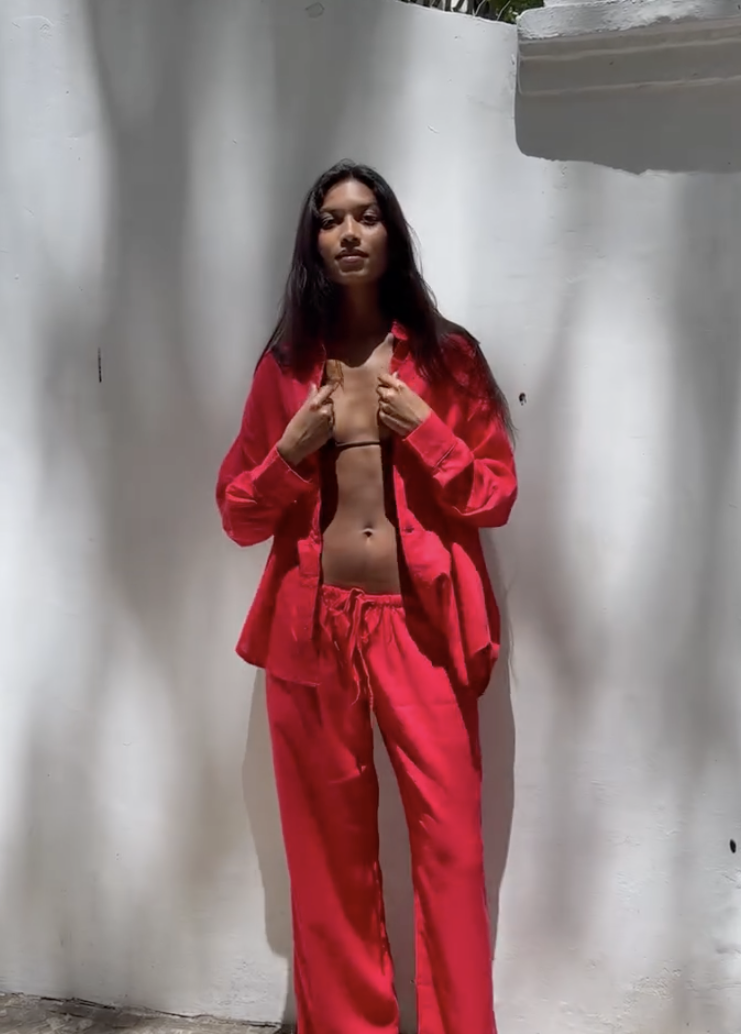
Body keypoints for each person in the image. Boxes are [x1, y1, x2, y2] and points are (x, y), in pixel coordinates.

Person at [216, 160, 517, 1034]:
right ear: (311, 242)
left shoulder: (447, 358)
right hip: (311, 635)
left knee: (451, 848)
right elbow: (238, 513)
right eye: (330, 219)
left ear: (392, 233)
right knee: (327, 860)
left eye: (367, 215)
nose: (349, 232)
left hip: (422, 630)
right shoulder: (285, 368)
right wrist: (291, 449)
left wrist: (426, 430)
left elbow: (494, 494)